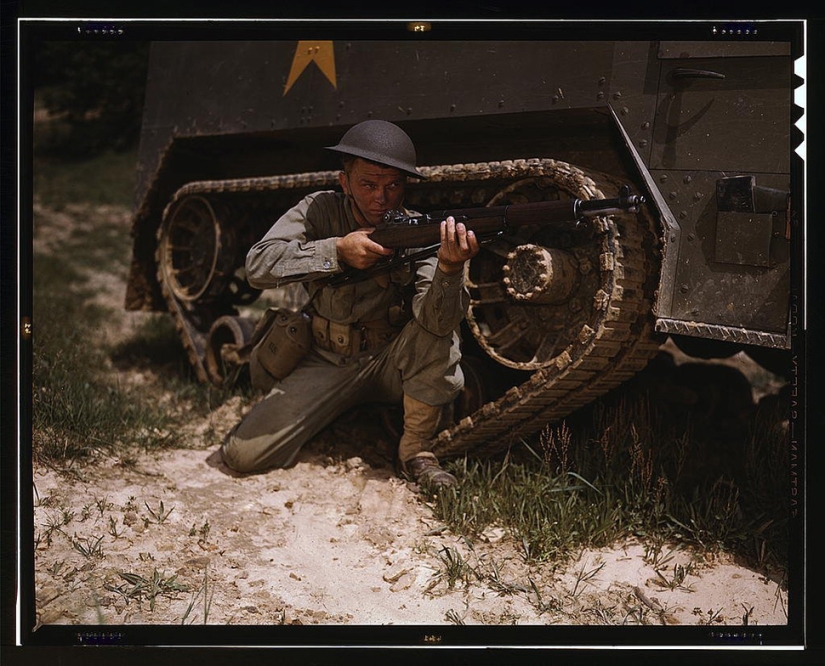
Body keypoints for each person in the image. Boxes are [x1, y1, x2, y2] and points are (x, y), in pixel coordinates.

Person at [220, 119, 480, 490]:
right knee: (242, 455)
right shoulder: (319, 211)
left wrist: (450, 269)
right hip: (326, 356)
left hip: (392, 359)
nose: (381, 197)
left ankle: (416, 451)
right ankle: (347, 411)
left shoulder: (419, 230)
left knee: (436, 336)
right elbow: (258, 265)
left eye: (393, 185)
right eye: (368, 184)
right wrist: (335, 250)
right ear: (345, 183)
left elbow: (438, 322)